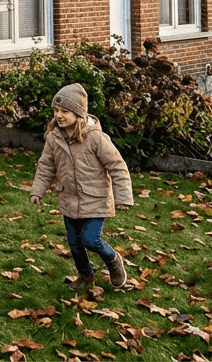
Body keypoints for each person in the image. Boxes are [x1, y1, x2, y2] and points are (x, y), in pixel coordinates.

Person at [28, 84, 133, 291]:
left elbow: (117, 166)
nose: (59, 115)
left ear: (78, 114)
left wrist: (123, 197)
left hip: (95, 199)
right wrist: (37, 190)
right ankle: (86, 274)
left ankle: (113, 261)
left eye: (65, 111)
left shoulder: (95, 138)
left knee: (90, 239)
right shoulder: (54, 138)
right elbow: (46, 166)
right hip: (69, 199)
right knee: (75, 244)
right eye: (56, 111)